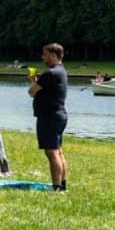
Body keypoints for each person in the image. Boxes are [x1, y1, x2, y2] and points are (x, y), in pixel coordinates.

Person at [29, 42, 68, 191]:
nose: (42, 57)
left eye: (44, 54)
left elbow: (32, 92)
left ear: (53, 55)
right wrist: (36, 81)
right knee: (58, 151)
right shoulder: (61, 71)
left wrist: (33, 80)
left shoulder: (50, 73)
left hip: (49, 117)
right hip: (59, 115)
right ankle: (62, 185)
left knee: (51, 152)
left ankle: (57, 187)